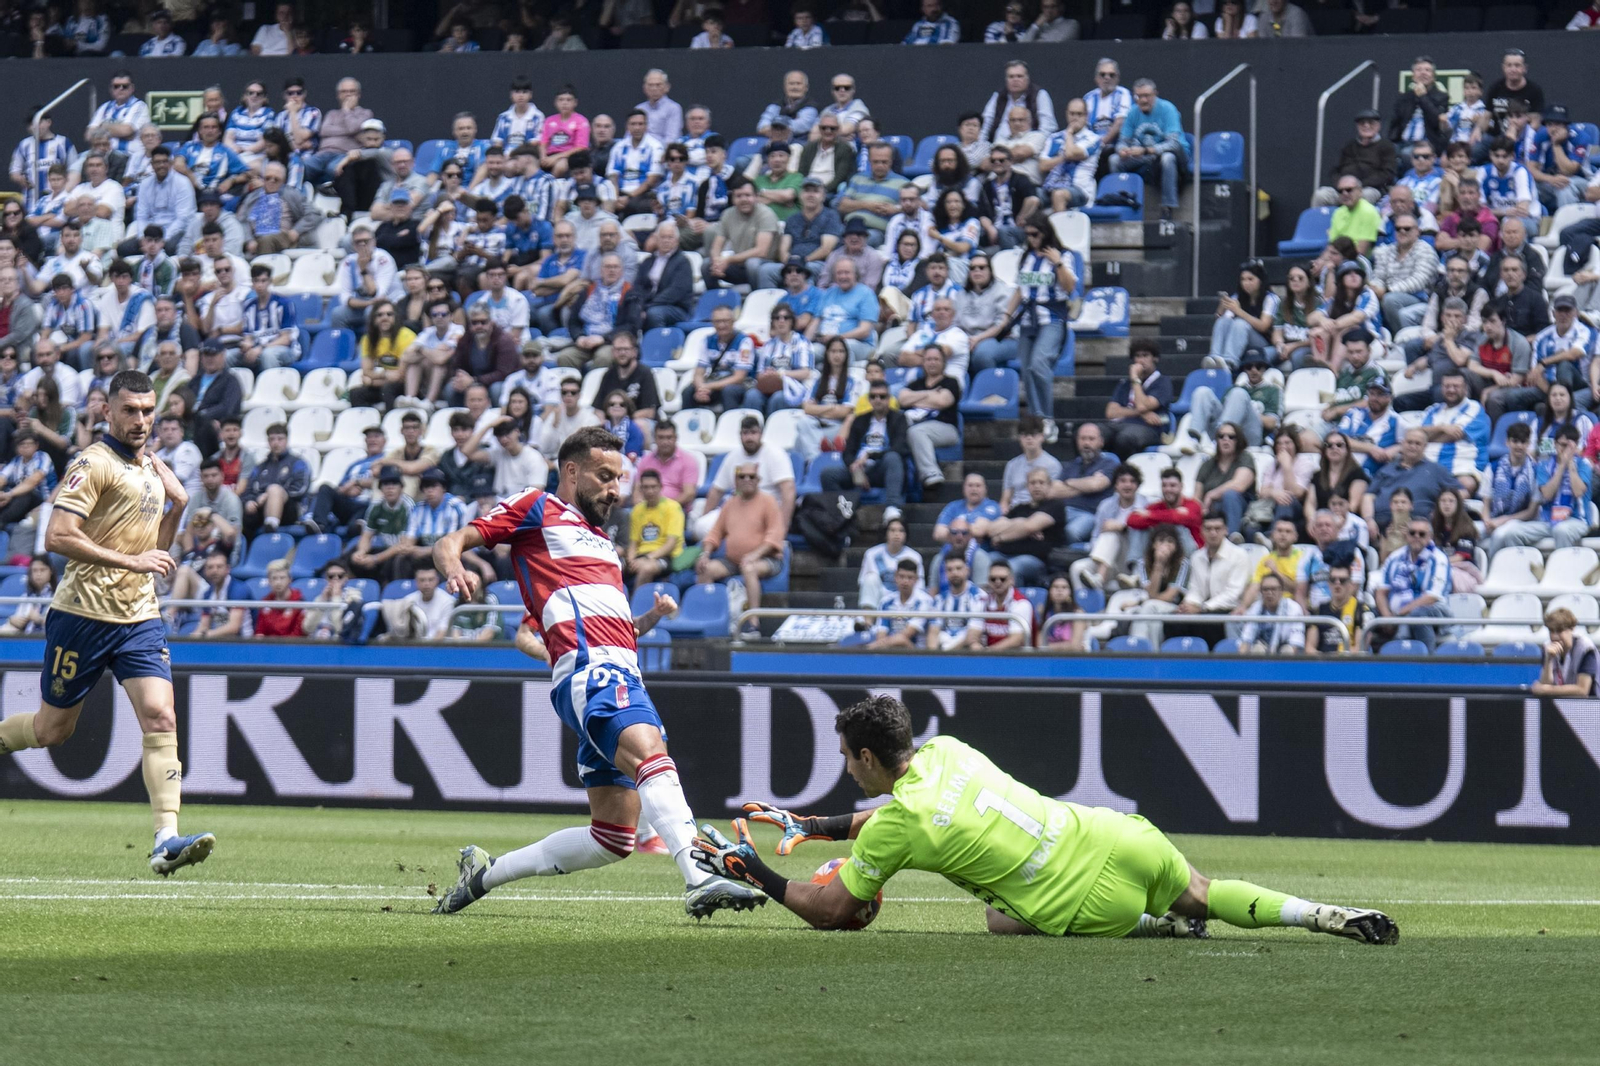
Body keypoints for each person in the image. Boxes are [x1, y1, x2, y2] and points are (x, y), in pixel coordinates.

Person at [695, 694, 1397, 941]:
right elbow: (896, 811)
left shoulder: (894, 826)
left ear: (871, 756)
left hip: (1087, 904)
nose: (848, 768)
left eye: (850, 758)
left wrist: (749, 867)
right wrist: (810, 824)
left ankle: (1149, 927)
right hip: (1115, 834)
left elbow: (827, 910)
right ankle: (1312, 913)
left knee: (1006, 917)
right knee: (1209, 897)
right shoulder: (947, 750)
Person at [432, 427, 763, 914]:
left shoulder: (604, 545)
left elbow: (615, 625)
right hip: (593, 672)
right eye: (604, 476)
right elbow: (452, 539)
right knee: (652, 754)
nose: (616, 489)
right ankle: (697, 875)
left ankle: (484, 873)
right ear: (571, 472)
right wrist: (453, 565)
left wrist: (647, 620)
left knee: (612, 837)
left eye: (619, 478)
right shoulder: (538, 508)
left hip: (614, 669)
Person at [0, 369, 215, 874]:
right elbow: (57, 535)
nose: (141, 420)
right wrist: (133, 563)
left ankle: (166, 839)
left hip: (139, 616)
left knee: (162, 716)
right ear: (107, 412)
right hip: (82, 615)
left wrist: (178, 506)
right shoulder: (92, 463)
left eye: (148, 410)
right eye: (130, 410)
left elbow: (155, 554)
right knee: (53, 730)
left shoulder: (152, 471)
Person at [1372, 516, 1452, 652]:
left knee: (1416, 616)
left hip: (1433, 610)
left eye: (1421, 534)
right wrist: (1387, 617)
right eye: (1412, 533)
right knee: (1367, 614)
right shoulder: (1394, 557)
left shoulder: (1438, 559)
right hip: (1394, 613)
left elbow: (1431, 597)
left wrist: (1399, 615)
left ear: (1430, 537)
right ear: (1406, 535)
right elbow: (1381, 591)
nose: (1416, 537)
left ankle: (1428, 662)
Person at [1112, 79, 1187, 221]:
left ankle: (1167, 208)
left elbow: (1174, 144)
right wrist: (1123, 150)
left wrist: (1146, 150)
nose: (1143, 100)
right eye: (1139, 96)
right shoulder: (1133, 112)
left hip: (1174, 158)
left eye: (1147, 95)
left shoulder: (1167, 109)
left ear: (1155, 94)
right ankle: (1123, 203)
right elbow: (1122, 141)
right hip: (1146, 158)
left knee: (1167, 157)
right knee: (1114, 160)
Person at [1104, 339, 1171, 458]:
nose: (1140, 360)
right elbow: (1111, 412)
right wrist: (1141, 414)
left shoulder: (1162, 382)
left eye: (1145, 356)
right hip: (1119, 425)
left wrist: (1135, 378)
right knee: (1091, 433)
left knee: (1124, 438)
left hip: (1148, 429)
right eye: (1137, 356)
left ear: (1155, 358)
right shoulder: (1124, 384)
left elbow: (1142, 405)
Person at [1208, 260, 1278, 372]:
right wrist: (1221, 310)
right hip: (1239, 339)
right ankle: (1214, 359)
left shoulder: (1271, 298)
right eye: (1243, 279)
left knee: (1240, 323)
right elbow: (1225, 322)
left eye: (1250, 279)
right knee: (1223, 322)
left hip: (1263, 342)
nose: (1246, 283)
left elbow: (1263, 326)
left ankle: (1229, 361)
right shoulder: (1237, 296)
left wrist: (1239, 311)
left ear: (1260, 280)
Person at [1532, 607, 1598, 698]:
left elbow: (1583, 690)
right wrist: (1549, 659)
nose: (1554, 636)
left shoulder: (1586, 649)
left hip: (1591, 706)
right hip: (1562, 704)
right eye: (1551, 631)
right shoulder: (1547, 647)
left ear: (1572, 629)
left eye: (1559, 631)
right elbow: (1546, 684)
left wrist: (1547, 690)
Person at [1305, 564, 1371, 654]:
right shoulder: (1319, 610)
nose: (1337, 584)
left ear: (1350, 584)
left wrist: (1336, 655)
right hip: (1322, 663)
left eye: (1342, 580)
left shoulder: (1361, 609)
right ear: (1328, 583)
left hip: (1348, 662)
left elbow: (1359, 649)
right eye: (1333, 580)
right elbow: (1309, 648)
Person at [1236, 572, 1305, 654]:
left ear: (1281, 591)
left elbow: (1296, 642)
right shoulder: (1255, 608)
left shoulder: (1293, 608)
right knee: (1257, 649)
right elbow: (1246, 638)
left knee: (1287, 650)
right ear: (1261, 592)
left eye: (1273, 589)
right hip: (1262, 651)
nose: (1269, 593)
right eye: (1265, 589)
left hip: (1285, 652)